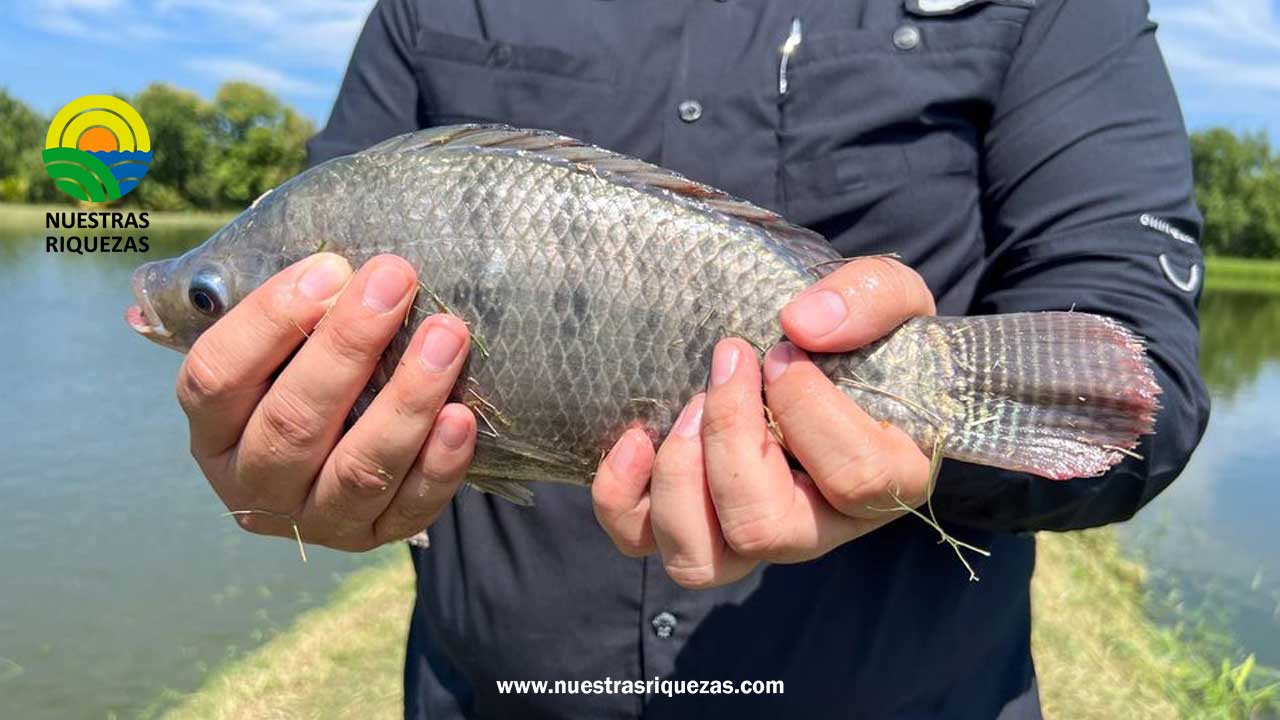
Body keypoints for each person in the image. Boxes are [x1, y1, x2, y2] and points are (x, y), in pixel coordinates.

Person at [175, 0, 1210, 717]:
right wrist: (291, 466)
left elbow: (1131, 388)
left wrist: (918, 447)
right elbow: (307, 373)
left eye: (204, 300)